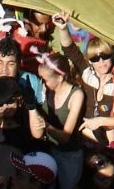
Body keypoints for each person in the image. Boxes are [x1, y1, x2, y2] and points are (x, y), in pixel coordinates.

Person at [54, 11, 114, 144]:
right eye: (95, 58)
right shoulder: (87, 72)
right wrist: (63, 28)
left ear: (111, 56)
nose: (101, 61)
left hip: (108, 142)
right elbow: (70, 50)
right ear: (89, 61)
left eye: (105, 56)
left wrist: (101, 121)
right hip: (82, 137)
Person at [29, 52, 85, 189]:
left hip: (69, 154)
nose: (42, 82)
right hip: (49, 150)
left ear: (60, 78)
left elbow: (65, 137)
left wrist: (46, 126)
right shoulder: (45, 91)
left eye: (45, 79)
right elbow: (36, 133)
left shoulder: (76, 95)